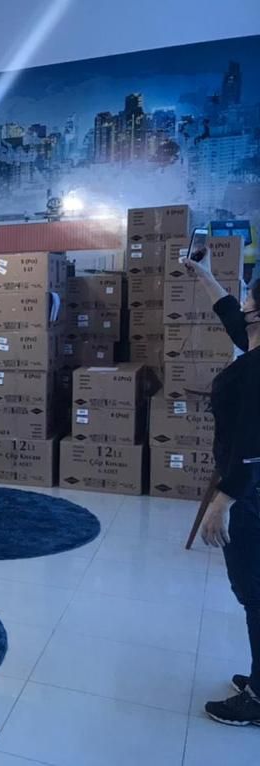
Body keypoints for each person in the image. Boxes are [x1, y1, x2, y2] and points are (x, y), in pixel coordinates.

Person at [184, 248, 260, 726]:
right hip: (249, 488)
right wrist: (203, 273)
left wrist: (223, 501)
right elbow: (229, 312)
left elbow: (253, 447)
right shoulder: (252, 346)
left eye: (250, 297)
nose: (243, 302)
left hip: (249, 494)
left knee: (254, 591)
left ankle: (259, 697)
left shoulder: (255, 369)